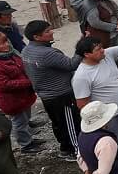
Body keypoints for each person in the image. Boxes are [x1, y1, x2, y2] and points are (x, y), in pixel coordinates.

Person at [72, 32, 118, 152]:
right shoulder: (81, 76)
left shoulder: (107, 54)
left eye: (102, 47)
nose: (102, 50)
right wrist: (99, 123)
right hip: (109, 118)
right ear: (87, 54)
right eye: (98, 49)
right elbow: (82, 105)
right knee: (113, 146)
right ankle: (117, 168)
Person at [21, 20, 81, 160]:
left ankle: (65, 148)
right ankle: (74, 151)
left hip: (46, 95)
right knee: (70, 123)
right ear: (37, 37)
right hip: (61, 95)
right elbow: (71, 64)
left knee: (58, 123)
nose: (52, 32)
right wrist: (81, 47)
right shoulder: (47, 53)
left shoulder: (26, 50)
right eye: (47, 31)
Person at [0, 30, 43, 152]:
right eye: (1, 44)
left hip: (23, 96)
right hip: (12, 100)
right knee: (19, 123)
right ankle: (25, 145)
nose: (7, 45)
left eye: (6, 41)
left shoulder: (7, 54)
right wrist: (29, 82)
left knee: (25, 118)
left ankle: (29, 138)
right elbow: (3, 85)